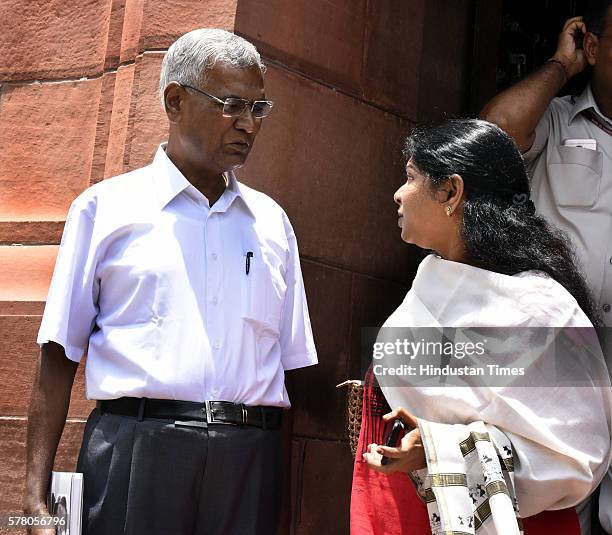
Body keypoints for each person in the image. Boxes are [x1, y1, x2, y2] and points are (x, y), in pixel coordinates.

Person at [23, 29, 317, 535]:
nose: (248, 124)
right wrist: (32, 495)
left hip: (249, 459)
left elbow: (293, 367)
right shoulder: (105, 208)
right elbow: (58, 352)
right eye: (231, 105)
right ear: (175, 100)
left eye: (259, 108)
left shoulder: (272, 223)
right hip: (137, 451)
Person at [350, 119, 612, 535]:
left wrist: (438, 450)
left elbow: (576, 455)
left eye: (411, 177)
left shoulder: (543, 310)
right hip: (395, 510)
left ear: (451, 192)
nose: (398, 194)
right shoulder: (428, 285)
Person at [480, 2, 612, 329]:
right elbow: (495, 132)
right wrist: (563, 64)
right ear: (593, 47)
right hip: (555, 339)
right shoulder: (555, 120)